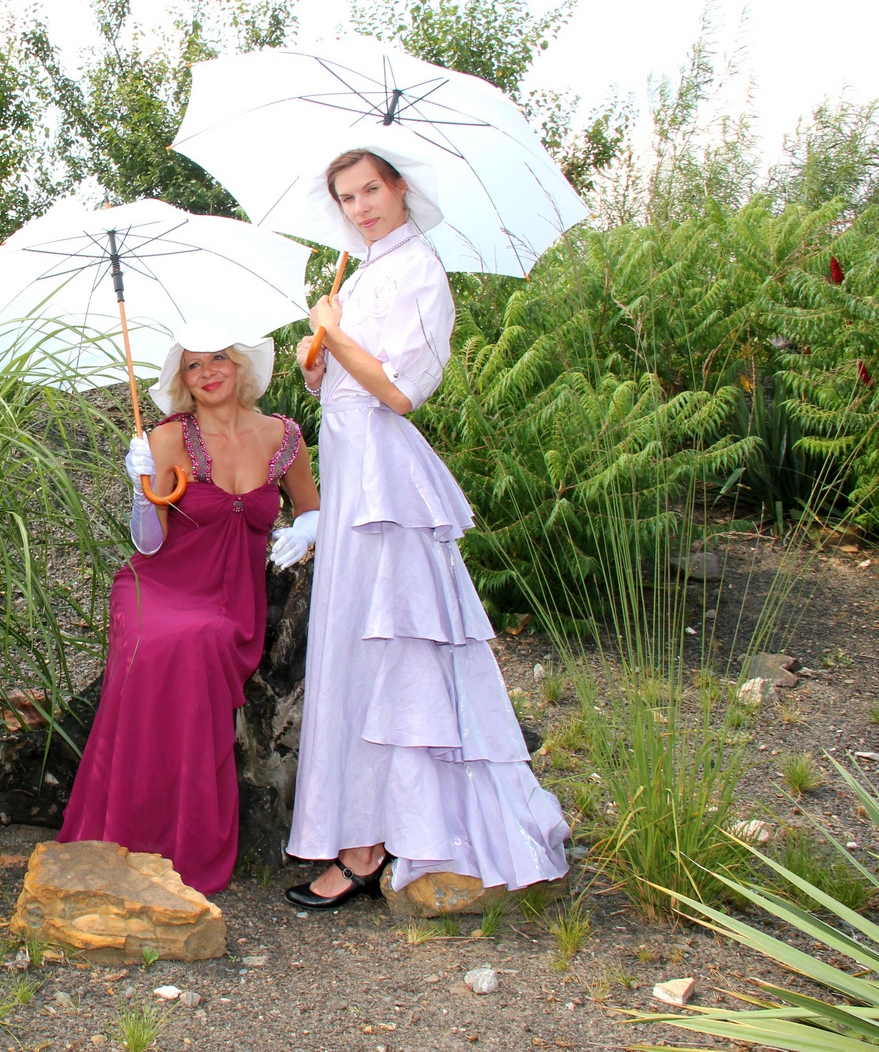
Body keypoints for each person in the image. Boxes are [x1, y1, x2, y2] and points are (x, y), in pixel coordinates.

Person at [283, 147, 570, 910]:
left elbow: (404, 392)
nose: (360, 206)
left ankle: (373, 845)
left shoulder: (421, 273)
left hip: (386, 482)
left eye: (371, 189)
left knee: (390, 652)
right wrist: (317, 361)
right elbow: (346, 379)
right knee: (351, 648)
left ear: (400, 187)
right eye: (346, 196)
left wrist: (335, 336)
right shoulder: (368, 269)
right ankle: (364, 831)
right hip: (349, 477)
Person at [58, 323, 321, 896]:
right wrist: (140, 488)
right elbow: (148, 541)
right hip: (160, 582)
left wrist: (305, 531)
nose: (208, 373)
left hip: (232, 596)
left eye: (219, 359)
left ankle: (188, 838)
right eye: (194, 365)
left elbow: (309, 507)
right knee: (161, 643)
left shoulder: (283, 437)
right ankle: (126, 828)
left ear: (241, 366)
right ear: (182, 380)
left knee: (199, 640)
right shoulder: (171, 437)